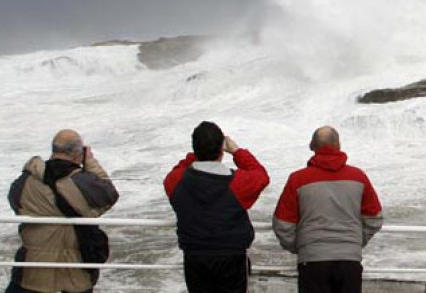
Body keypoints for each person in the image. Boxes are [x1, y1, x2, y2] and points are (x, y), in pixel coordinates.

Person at [7, 129, 119, 293]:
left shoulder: (25, 181)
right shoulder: (82, 182)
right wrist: (90, 162)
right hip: (74, 273)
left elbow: (16, 204)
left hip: (32, 272)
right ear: (77, 154)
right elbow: (109, 194)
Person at [273, 126, 383, 293]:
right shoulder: (358, 176)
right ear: (338, 145)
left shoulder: (298, 179)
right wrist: (356, 242)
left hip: (312, 260)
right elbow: (374, 218)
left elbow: (282, 223)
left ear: (312, 146)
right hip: (349, 260)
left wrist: (301, 246)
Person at [164, 121, 270, 293]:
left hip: (194, 254)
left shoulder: (176, 180)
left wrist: (197, 154)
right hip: (231, 255)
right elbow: (260, 175)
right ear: (222, 150)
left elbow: (179, 169)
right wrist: (237, 152)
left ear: (195, 148)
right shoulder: (236, 183)